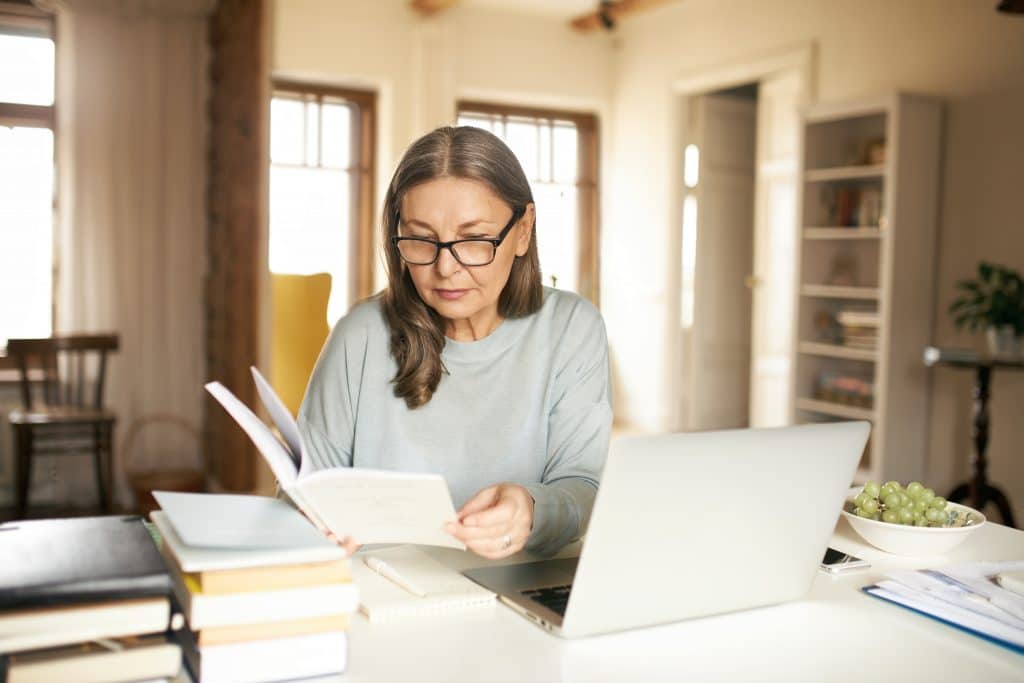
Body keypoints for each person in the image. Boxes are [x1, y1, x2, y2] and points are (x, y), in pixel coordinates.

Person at [297, 125, 612, 558]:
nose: (445, 268)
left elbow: (584, 488)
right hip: (380, 588)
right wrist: (311, 523)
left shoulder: (572, 328)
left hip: (517, 589)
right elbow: (304, 488)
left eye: (473, 240)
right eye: (422, 239)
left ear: (523, 231)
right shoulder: (361, 334)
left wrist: (530, 509)